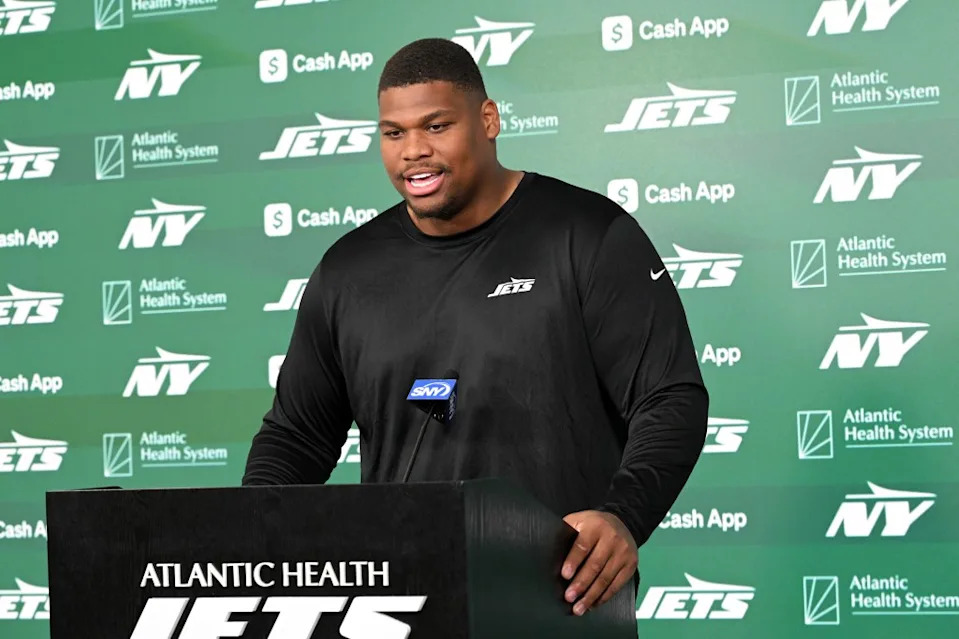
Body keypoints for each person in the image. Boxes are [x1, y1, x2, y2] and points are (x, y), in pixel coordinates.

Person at [243, 37, 709, 617]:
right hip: (396, 603)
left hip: (560, 597)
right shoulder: (348, 270)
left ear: (487, 120)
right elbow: (297, 436)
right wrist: (247, 540)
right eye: (394, 133)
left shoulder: (587, 235)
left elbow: (669, 399)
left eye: (436, 126)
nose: (414, 151)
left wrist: (624, 516)